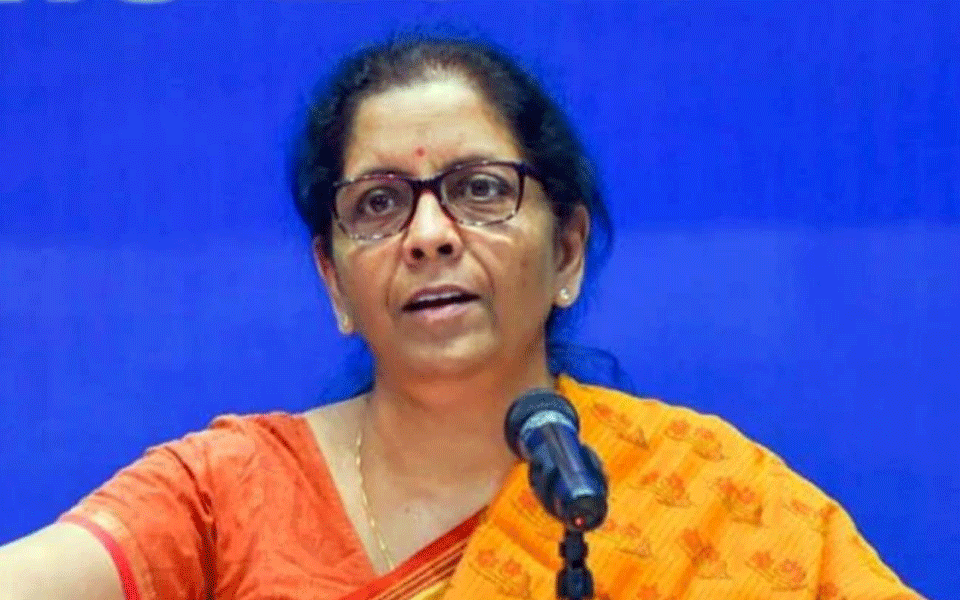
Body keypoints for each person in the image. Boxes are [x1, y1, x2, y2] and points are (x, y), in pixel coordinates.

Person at [0, 36, 925, 600]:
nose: (430, 234)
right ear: (332, 280)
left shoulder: (712, 496)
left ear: (567, 251)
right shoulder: (226, 494)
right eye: (378, 204)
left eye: (481, 190)